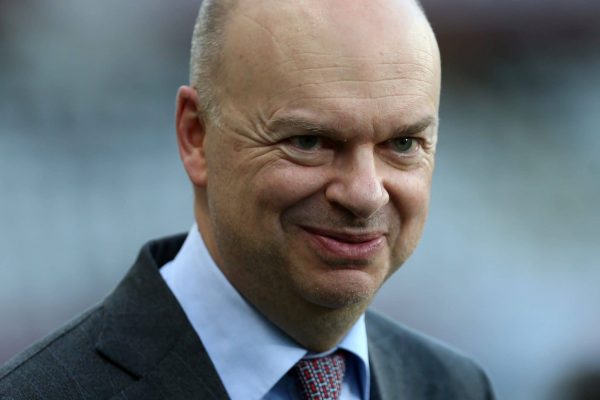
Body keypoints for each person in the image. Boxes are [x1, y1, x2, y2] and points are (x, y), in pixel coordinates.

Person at [0, 0, 495, 399]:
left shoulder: (454, 386)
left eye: (403, 144)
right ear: (196, 136)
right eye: (309, 141)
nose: (365, 194)